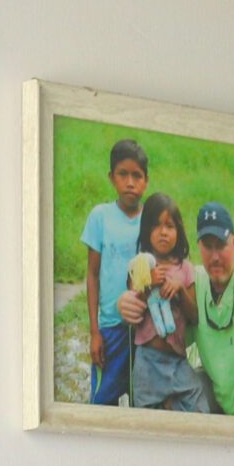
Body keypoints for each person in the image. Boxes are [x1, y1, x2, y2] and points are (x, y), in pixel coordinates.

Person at [118, 194, 205, 412]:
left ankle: (171, 403)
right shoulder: (140, 265)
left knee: (200, 408)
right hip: (147, 359)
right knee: (145, 415)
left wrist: (180, 290)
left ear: (179, 231)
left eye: (169, 226)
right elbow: (133, 312)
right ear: (146, 229)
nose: (163, 232)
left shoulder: (185, 268)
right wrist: (147, 284)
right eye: (156, 226)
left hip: (177, 359)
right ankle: (163, 405)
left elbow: (194, 316)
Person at [80, 138, 148, 407]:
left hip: (142, 331)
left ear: (146, 180)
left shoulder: (151, 219)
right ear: (111, 177)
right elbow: (93, 275)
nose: (130, 182)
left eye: (137, 175)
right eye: (123, 174)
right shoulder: (101, 217)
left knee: (140, 401)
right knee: (101, 403)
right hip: (110, 328)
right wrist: (95, 332)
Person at [186, 201, 234, 417]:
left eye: (221, 245)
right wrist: (127, 301)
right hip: (220, 405)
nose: (215, 257)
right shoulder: (194, 282)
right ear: (198, 246)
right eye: (207, 247)